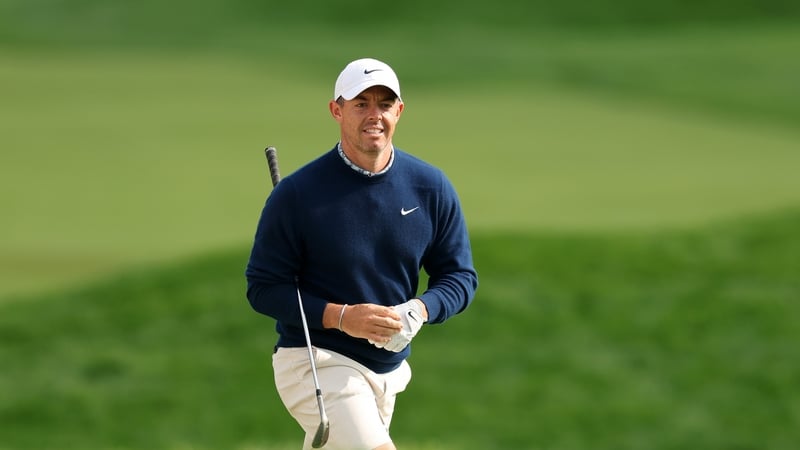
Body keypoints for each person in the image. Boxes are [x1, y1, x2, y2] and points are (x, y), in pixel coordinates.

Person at [245, 57, 478, 450]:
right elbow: (264, 288)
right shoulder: (298, 195)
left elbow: (459, 277)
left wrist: (418, 310)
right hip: (316, 361)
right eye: (360, 103)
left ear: (399, 111)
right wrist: (342, 317)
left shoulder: (430, 187)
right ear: (336, 110)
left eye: (385, 104)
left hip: (388, 369)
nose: (375, 115)